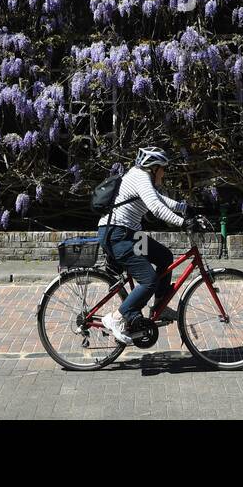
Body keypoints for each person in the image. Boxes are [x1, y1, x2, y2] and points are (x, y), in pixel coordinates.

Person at [98, 146, 195, 345]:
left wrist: (185, 208)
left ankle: (160, 304)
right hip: (118, 236)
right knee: (149, 280)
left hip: (131, 235)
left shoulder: (141, 177)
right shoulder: (140, 177)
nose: (164, 172)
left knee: (164, 257)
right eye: (163, 168)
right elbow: (156, 208)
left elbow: (159, 199)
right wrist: (182, 222)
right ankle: (116, 317)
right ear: (154, 167)